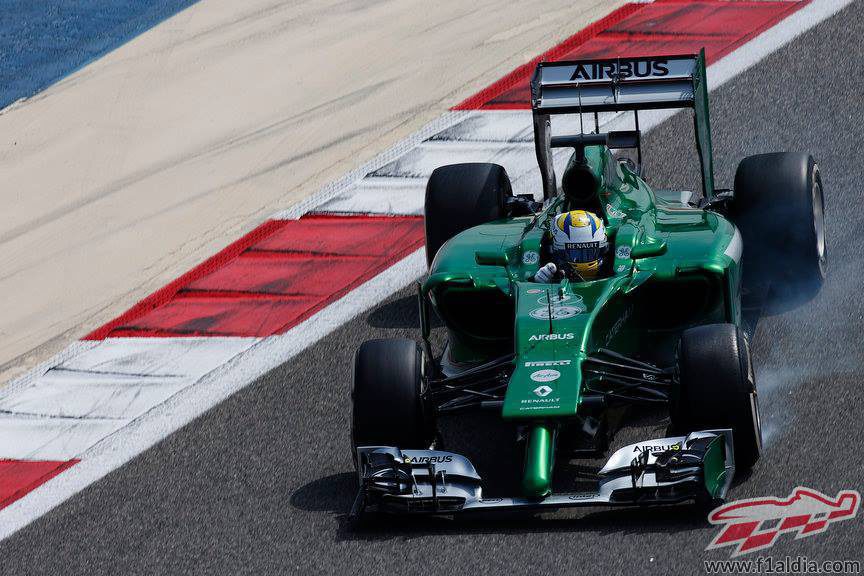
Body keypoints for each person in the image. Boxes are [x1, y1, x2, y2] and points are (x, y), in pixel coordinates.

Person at [534, 210, 608, 283]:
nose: (581, 258)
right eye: (574, 253)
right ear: (555, 250)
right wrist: (538, 281)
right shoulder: (551, 269)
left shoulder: (610, 265)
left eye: (589, 252)